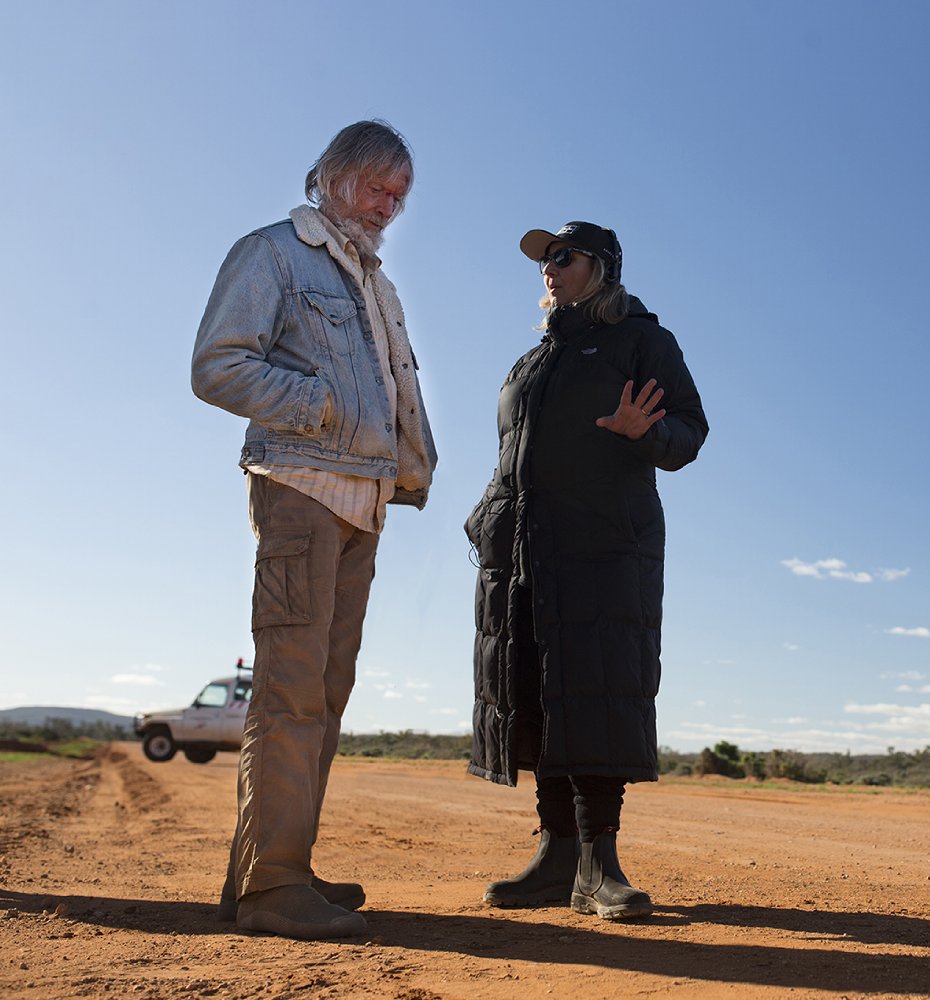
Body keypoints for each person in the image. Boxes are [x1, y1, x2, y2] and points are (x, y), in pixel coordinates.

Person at [191, 120, 437, 940]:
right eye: (377, 188)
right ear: (331, 179)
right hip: (300, 486)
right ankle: (273, 889)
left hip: (364, 502)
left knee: (325, 696)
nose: (388, 207)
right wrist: (322, 408)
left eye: (399, 196)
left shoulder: (375, 283)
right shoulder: (274, 253)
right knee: (292, 691)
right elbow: (218, 365)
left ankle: (274, 870)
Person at [465, 221, 708, 919]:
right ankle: (556, 858)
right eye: (544, 259)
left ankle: (600, 865)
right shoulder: (531, 363)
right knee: (540, 695)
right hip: (524, 553)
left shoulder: (640, 340)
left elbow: (689, 432)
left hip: (604, 546)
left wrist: (648, 432)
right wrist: (486, 518)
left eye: (563, 256)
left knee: (597, 690)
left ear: (600, 267)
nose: (549, 267)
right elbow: (511, 454)